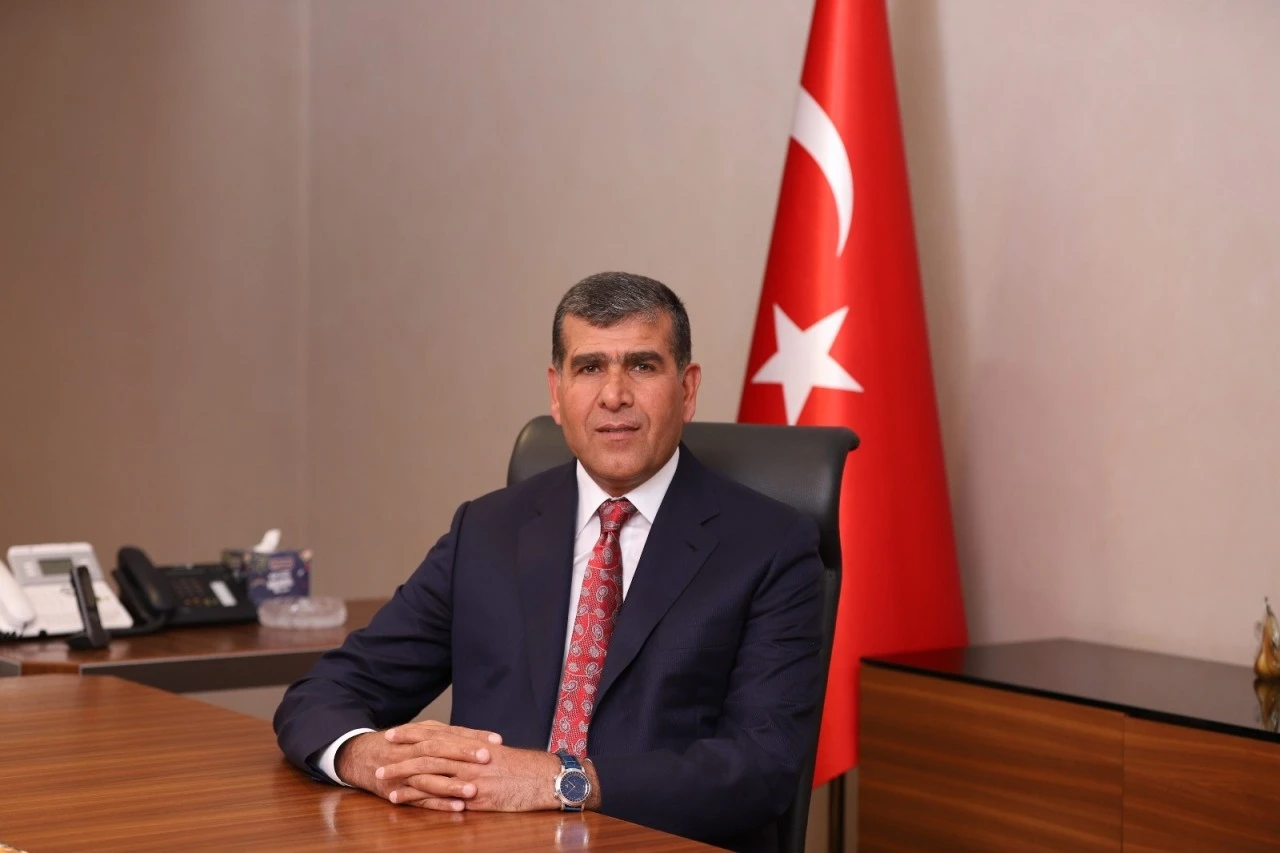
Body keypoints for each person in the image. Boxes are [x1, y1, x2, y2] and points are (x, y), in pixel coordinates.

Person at [274, 271, 825, 852]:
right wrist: (369, 758)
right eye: (589, 368)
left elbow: (762, 767)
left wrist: (560, 781)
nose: (614, 395)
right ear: (556, 393)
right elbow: (326, 692)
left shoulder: (770, 545)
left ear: (687, 390)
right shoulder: (485, 530)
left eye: (642, 365)